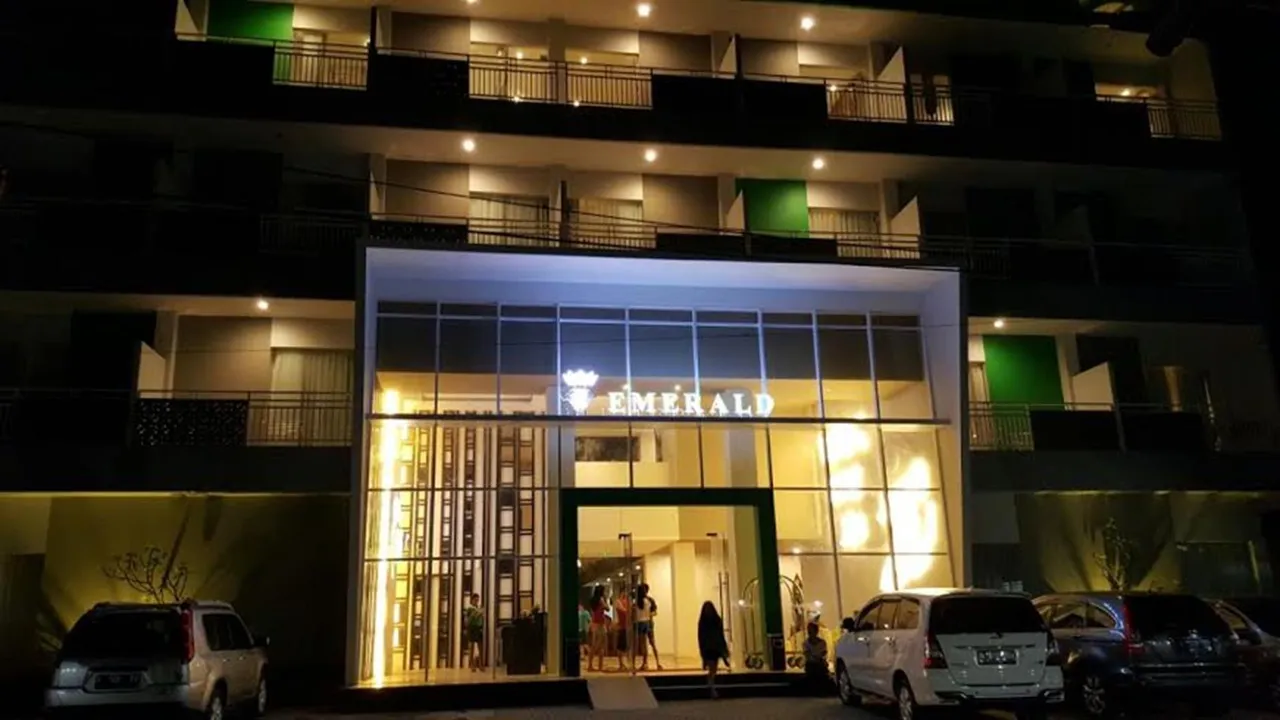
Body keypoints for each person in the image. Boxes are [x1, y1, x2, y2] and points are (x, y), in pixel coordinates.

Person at [697, 601, 730, 698]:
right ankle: (712, 688)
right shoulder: (715, 620)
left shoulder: (705, 622)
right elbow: (720, 635)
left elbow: (701, 637)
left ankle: (711, 685)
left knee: (713, 668)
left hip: (712, 647)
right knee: (713, 668)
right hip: (711, 648)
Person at [633, 584, 663, 671]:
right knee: (652, 643)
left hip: (640, 623)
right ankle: (657, 663)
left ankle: (644, 663)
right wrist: (648, 615)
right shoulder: (649, 601)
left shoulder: (637, 602)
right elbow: (654, 612)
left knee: (642, 644)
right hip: (648, 622)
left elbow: (634, 614)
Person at [801, 621, 830, 693]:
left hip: (819, 663)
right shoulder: (805, 643)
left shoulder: (822, 642)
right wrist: (816, 657)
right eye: (808, 630)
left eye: (811, 630)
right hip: (811, 664)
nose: (809, 632)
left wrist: (819, 658)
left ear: (816, 631)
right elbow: (807, 655)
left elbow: (824, 653)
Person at [587, 586, 609, 672]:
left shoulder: (593, 600)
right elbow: (607, 608)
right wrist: (605, 600)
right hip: (600, 624)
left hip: (595, 623)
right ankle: (597, 665)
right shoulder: (601, 599)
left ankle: (593, 665)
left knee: (597, 645)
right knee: (599, 645)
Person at [463, 593, 485, 671]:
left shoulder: (478, 608)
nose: (477, 601)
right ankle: (472, 665)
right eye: (475, 600)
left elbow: (481, 618)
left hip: (478, 628)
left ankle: (481, 664)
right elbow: (467, 620)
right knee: (471, 647)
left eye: (477, 600)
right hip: (472, 628)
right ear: (472, 600)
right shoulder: (469, 608)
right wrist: (476, 614)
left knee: (480, 647)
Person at [613, 591, 631, 671]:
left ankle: (624, 664)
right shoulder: (618, 602)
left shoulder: (627, 602)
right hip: (622, 627)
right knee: (620, 646)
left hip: (626, 627)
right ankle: (621, 664)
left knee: (625, 647)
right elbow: (624, 611)